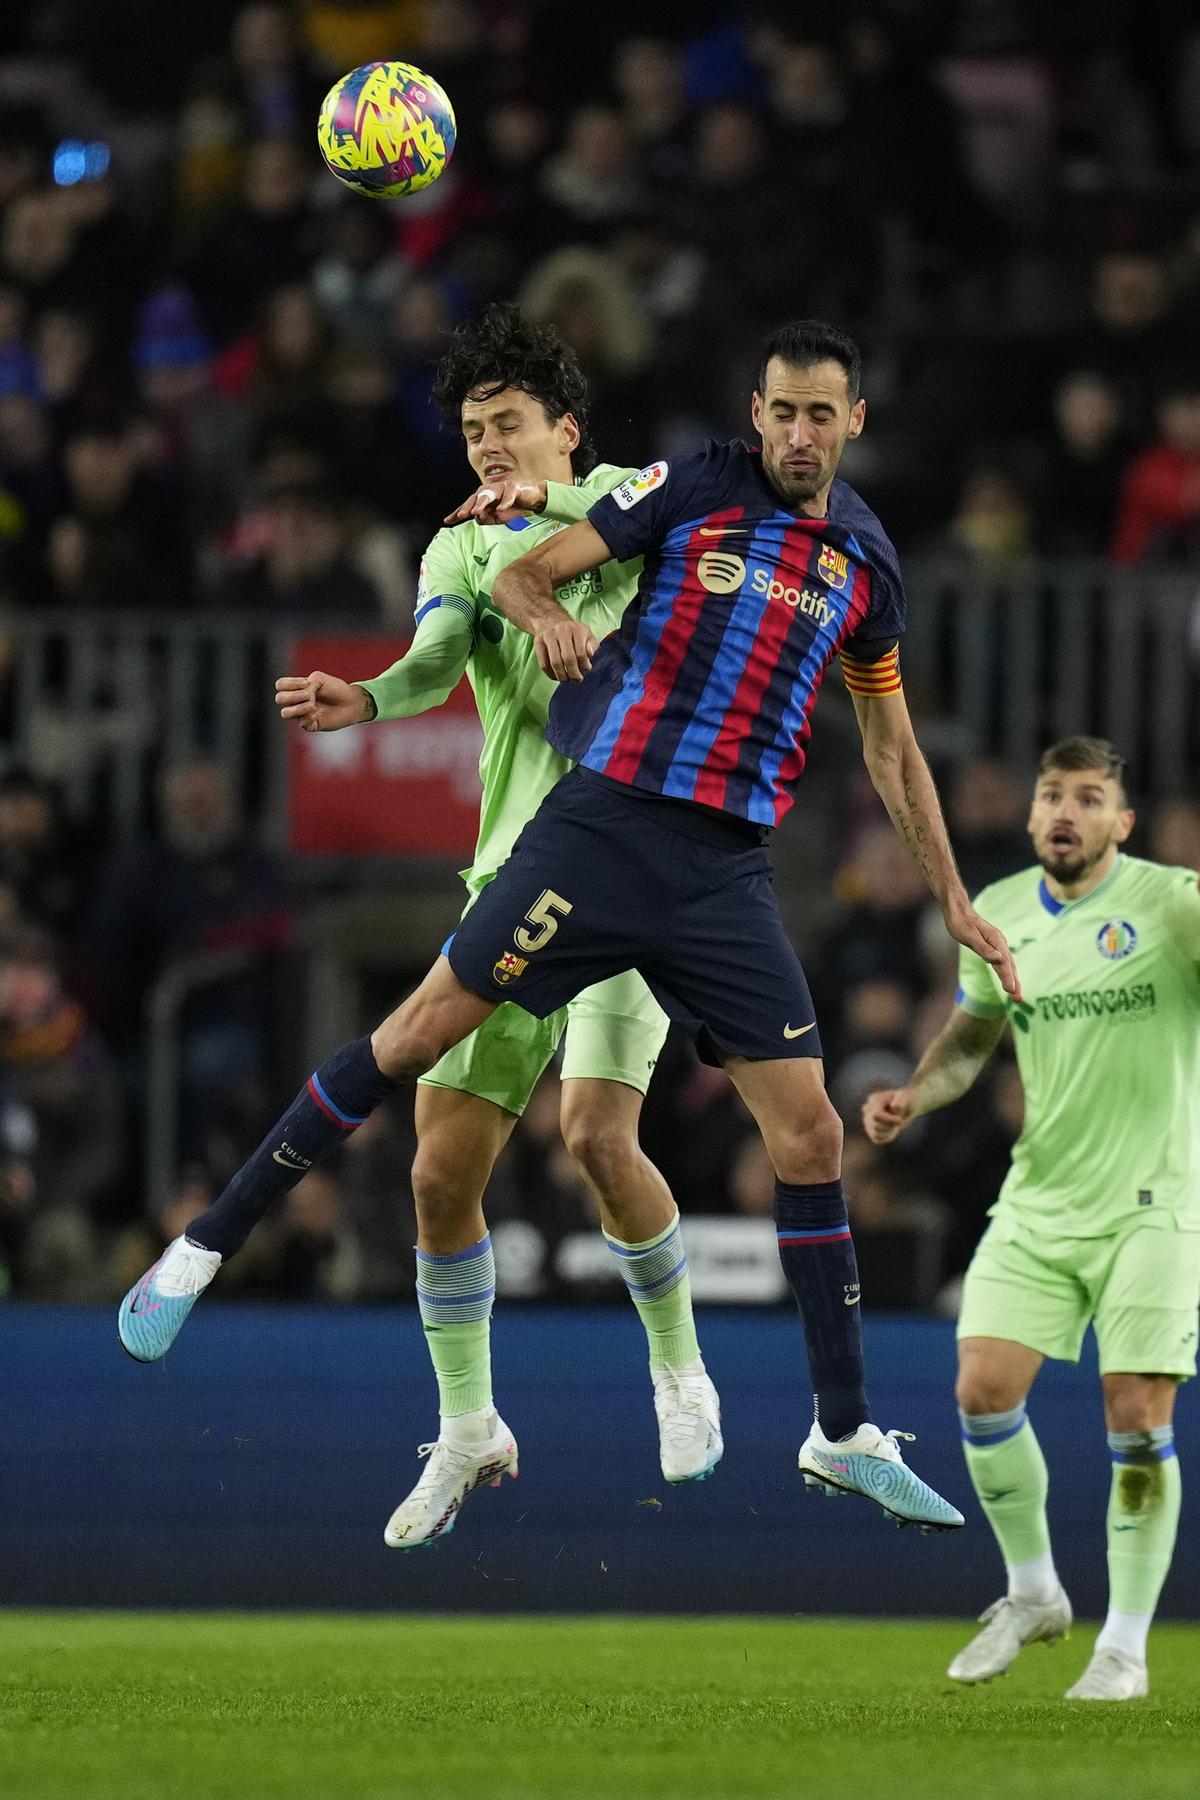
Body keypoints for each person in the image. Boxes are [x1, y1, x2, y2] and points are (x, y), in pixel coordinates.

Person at [122, 316, 1019, 1541]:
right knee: (421, 1086)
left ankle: (834, 1428)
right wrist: (490, 613)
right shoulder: (687, 484)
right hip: (587, 840)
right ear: (753, 414)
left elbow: (889, 739)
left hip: (721, 871)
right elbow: (489, 598)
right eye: (781, 411)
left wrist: (957, 898)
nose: (798, 433)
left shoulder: (861, 556)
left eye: (823, 414)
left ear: (854, 422)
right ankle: (208, 1247)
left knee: (790, 1134)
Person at [121, 305, 722, 1543]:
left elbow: (694, 538)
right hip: (512, 880)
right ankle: (468, 1429)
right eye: (470, 434)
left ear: (568, 430)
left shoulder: (631, 500)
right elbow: (437, 657)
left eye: (508, 426)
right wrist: (370, 696)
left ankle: (679, 1366)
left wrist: (545, 523)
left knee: (601, 1140)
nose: (488, 450)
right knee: (439, 1175)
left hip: (637, 875)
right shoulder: (454, 548)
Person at [863, 736, 1200, 1700]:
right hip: (1042, 1196)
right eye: (1053, 793)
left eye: (1090, 798)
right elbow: (973, 1039)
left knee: (1135, 1414)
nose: (1066, 811)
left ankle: (1125, 1646)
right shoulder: (998, 913)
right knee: (980, 1391)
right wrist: (914, 1096)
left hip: (1159, 1201)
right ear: (1030, 813)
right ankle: (1035, 1593)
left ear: (1121, 824)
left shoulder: (1171, 904)